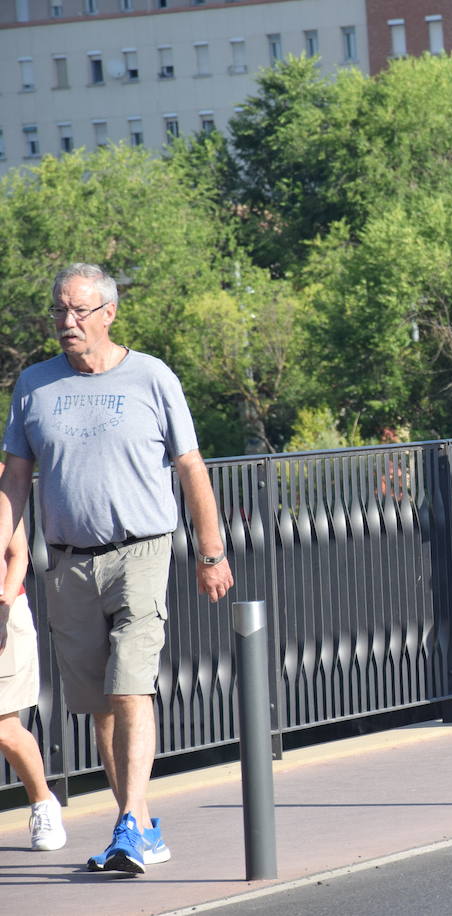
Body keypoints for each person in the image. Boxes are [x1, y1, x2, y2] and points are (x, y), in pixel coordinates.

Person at [0, 263, 234, 875]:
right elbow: (16, 478)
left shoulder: (152, 377)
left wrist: (211, 553)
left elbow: (190, 467)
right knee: (99, 703)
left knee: (130, 684)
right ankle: (137, 822)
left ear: (109, 313)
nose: (66, 322)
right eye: (58, 310)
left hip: (141, 551)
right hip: (68, 563)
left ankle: (130, 821)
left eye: (78, 310)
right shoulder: (34, 384)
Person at [0, 498, 67, 852]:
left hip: (2, 611)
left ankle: (43, 802)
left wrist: (4, 608)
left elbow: (17, 555)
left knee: (4, 728)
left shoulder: (0, 482)